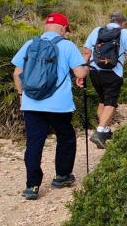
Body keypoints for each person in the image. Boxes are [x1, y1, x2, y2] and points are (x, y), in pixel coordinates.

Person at [12, 12, 88, 201]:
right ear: (63, 28)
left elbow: (16, 73)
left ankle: (32, 186)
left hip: (31, 103)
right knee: (66, 137)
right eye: (66, 30)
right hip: (59, 105)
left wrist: (22, 96)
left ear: (46, 26)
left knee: (34, 143)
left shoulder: (30, 44)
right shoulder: (67, 46)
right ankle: (62, 176)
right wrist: (85, 69)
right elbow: (79, 71)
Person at [82, 12, 127, 148]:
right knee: (111, 102)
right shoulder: (125, 32)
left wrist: (82, 71)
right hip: (112, 72)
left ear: (110, 21)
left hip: (94, 71)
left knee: (102, 100)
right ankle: (99, 132)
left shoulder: (97, 30)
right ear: (123, 23)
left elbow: (87, 52)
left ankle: (104, 131)